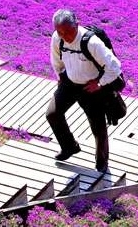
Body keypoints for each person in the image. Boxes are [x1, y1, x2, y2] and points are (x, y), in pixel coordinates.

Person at [46, 9, 122, 173]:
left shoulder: (91, 42)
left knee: (98, 128)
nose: (64, 36)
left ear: (77, 25)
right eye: (60, 32)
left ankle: (101, 163)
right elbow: (56, 60)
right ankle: (69, 147)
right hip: (69, 83)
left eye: (68, 31)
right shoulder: (57, 38)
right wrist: (60, 77)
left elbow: (114, 67)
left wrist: (99, 83)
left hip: (90, 88)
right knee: (52, 114)